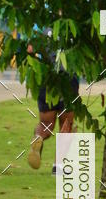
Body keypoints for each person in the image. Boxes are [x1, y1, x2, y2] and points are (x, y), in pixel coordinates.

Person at [27, 41, 79, 173]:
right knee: (66, 124)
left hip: (47, 79)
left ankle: (38, 137)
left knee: (45, 124)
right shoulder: (74, 33)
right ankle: (58, 166)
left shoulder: (42, 32)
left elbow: (30, 50)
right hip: (68, 79)